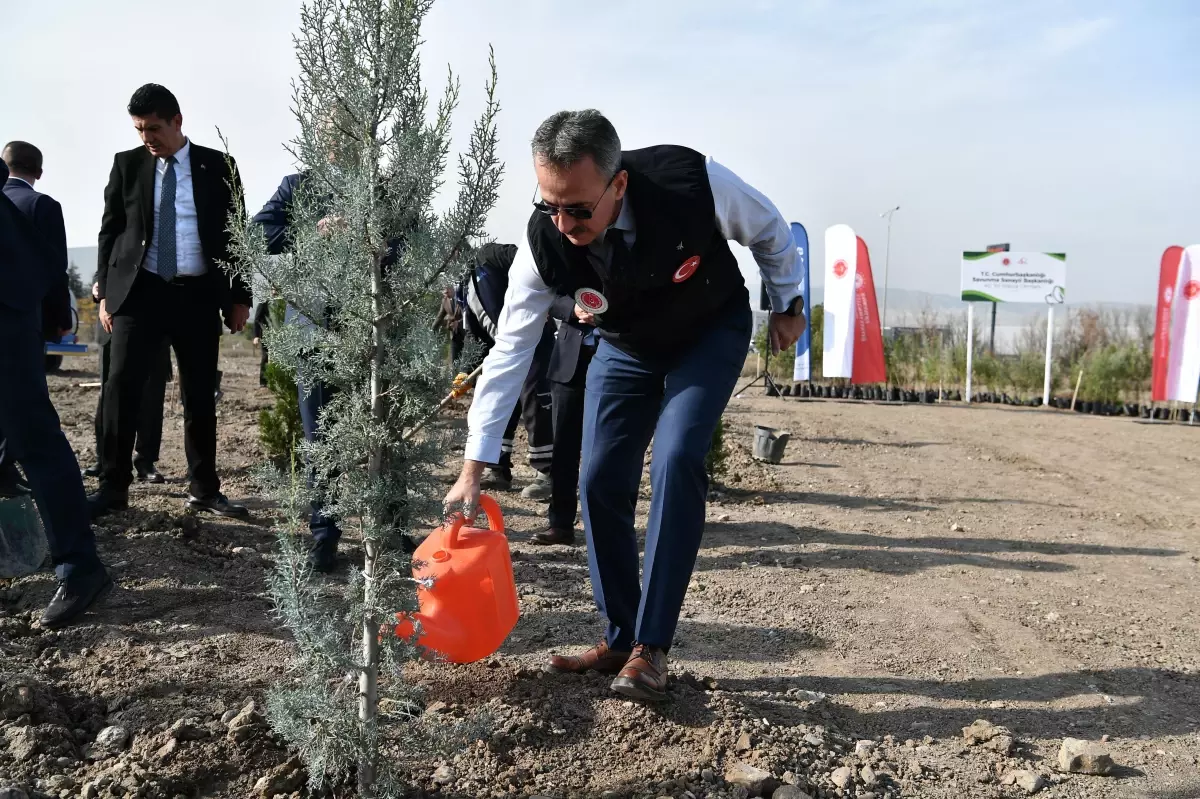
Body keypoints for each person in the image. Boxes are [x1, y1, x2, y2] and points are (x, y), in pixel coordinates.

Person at [444, 110, 806, 701]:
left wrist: (788, 303)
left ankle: (651, 648)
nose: (564, 224)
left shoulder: (692, 182)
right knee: (598, 477)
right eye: (549, 206)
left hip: (707, 331)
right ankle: (620, 636)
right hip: (627, 345)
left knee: (677, 457)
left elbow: (769, 229)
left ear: (618, 184)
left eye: (578, 209)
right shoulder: (544, 242)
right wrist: (474, 465)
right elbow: (511, 348)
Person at [90, 83, 251, 519]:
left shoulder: (219, 166)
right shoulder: (127, 165)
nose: (147, 137)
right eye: (140, 129)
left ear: (177, 121)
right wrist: (104, 291)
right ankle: (112, 488)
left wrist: (240, 296)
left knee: (199, 395)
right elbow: (110, 230)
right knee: (121, 388)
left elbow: (238, 234)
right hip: (138, 294)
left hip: (197, 296)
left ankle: (205, 490)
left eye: (154, 128)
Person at [0, 157, 112, 627]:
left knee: (34, 438)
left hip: (4, 309)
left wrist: (53, 318)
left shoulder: (36, 205)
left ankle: (80, 567)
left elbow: (49, 265)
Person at [1, 140, 74, 494]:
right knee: (28, 403)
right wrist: (61, 318)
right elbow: (55, 270)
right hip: (26, 322)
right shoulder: (41, 205)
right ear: (39, 173)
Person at [455, 243, 555, 500]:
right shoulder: (463, 289)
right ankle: (498, 469)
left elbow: (529, 261)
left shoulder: (487, 256)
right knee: (498, 402)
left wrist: (543, 299)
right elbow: (474, 335)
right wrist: (464, 373)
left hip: (534, 340)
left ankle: (547, 473)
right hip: (503, 352)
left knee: (535, 400)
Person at [83, 281, 171, 483]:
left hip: (153, 324)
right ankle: (104, 458)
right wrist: (98, 290)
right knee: (108, 397)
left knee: (151, 397)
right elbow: (105, 269)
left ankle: (145, 460)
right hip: (111, 324)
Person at [535, 290, 599, 545]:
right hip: (569, 362)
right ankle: (560, 524)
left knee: (607, 449)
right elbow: (551, 297)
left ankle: (606, 527)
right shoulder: (571, 266)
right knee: (563, 448)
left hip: (618, 358)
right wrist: (575, 309)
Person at [252, 300, 272, 387]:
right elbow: (257, 319)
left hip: (281, 335)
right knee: (265, 356)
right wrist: (256, 336)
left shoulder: (282, 301)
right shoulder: (264, 302)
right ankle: (263, 382)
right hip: (266, 335)